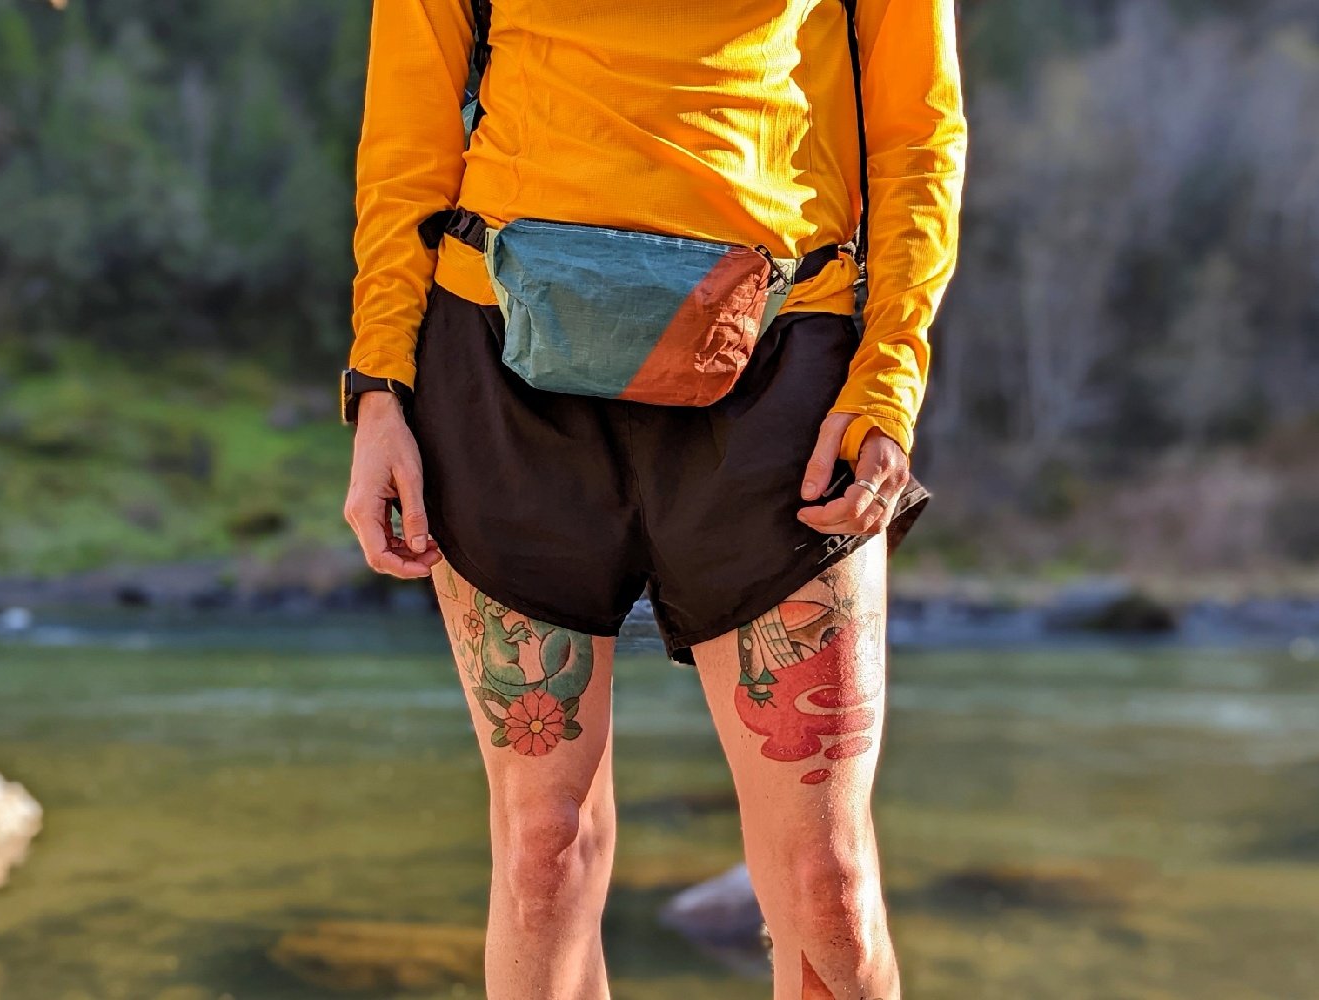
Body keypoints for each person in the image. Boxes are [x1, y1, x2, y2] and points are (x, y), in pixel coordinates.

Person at [342, 0, 966, 996]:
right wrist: (379, 389)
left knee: (826, 880)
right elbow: (405, 140)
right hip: (504, 363)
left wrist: (887, 381)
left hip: (782, 360)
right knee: (543, 849)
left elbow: (917, 132)